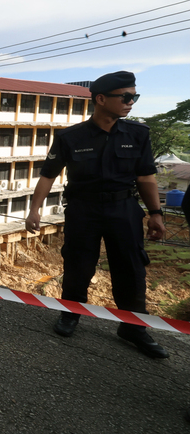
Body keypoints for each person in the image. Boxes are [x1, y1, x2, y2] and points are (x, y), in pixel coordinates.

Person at [26, 71, 167, 358]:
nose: (131, 102)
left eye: (134, 97)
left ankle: (133, 326)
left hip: (124, 209)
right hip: (83, 209)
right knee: (78, 263)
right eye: (125, 97)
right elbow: (47, 175)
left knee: (130, 267)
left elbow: (146, 177)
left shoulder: (138, 134)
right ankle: (71, 313)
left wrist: (156, 213)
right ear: (101, 99)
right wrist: (34, 209)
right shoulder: (70, 137)